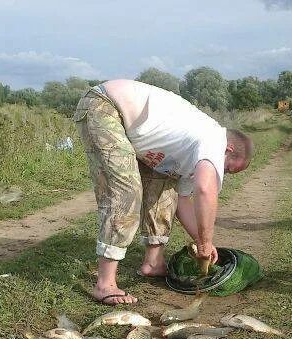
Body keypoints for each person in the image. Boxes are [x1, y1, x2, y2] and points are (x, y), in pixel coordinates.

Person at [73, 79, 254, 305]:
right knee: (126, 192)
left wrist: (200, 240)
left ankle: (153, 263)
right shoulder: (213, 138)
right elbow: (205, 190)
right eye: (227, 168)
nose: (222, 173)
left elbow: (183, 202)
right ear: (229, 149)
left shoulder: (194, 156)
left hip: (129, 124)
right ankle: (105, 284)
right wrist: (207, 241)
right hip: (105, 106)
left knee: (166, 189)